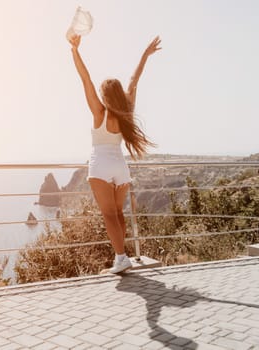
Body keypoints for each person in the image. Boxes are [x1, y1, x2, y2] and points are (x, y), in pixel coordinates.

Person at [68, 33, 161, 273]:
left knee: (109, 215)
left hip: (100, 166)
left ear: (105, 95)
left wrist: (75, 50)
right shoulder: (126, 110)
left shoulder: (100, 112)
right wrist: (145, 56)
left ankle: (121, 257)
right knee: (118, 213)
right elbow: (134, 80)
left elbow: (84, 79)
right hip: (120, 166)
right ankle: (121, 256)